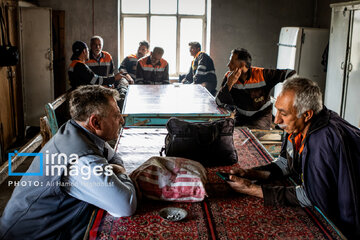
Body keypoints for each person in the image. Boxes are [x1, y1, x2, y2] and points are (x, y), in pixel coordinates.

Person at [224, 78, 360, 239]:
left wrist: (251, 189)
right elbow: (284, 163)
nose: (276, 121)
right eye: (278, 110)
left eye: (284, 113)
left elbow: (312, 196)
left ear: (307, 114)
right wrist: (252, 174)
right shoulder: (298, 124)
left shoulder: (321, 140)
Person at [0, 85, 137, 239]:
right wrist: (122, 173)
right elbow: (125, 205)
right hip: (32, 235)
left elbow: (113, 157)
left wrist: (114, 168)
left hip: (50, 225)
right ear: (96, 122)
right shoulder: (82, 160)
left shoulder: (78, 129)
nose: (121, 120)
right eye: (116, 115)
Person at [215, 48, 295, 129]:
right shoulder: (229, 77)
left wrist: (286, 95)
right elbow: (218, 102)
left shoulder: (261, 74)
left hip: (261, 117)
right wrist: (229, 83)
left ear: (242, 65)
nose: (228, 65)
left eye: (232, 62)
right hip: (241, 117)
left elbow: (290, 73)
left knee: (251, 134)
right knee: (229, 132)